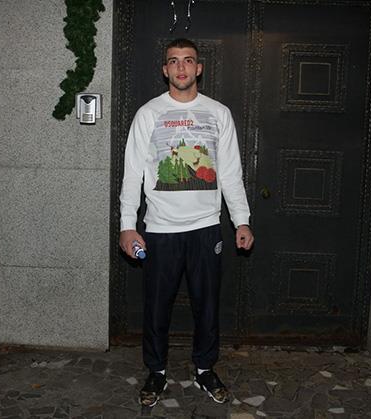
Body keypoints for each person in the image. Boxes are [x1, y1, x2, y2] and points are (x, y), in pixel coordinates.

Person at [119, 38, 254, 407]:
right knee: (156, 307)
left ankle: (205, 369)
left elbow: (231, 174)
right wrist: (127, 226)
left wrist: (241, 220)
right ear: (165, 70)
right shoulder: (148, 114)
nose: (181, 67)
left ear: (199, 68)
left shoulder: (218, 114)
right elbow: (132, 174)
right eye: (174, 61)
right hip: (160, 230)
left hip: (206, 228)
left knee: (206, 305)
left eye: (188, 60)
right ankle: (156, 371)